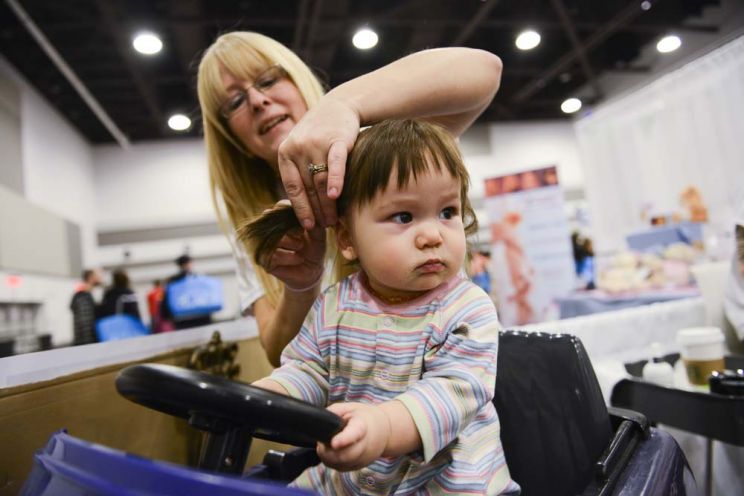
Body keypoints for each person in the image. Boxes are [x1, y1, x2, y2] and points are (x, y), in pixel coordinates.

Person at [242, 120, 518, 495]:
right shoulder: (336, 304)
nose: (433, 235)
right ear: (347, 238)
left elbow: (452, 392)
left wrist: (383, 427)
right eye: (404, 216)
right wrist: (269, 396)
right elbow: (310, 371)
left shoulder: (467, 308)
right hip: (352, 482)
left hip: (447, 485)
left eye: (447, 212)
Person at [197, 31, 503, 366]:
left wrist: (342, 104)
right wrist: (301, 288)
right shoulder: (255, 222)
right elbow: (279, 354)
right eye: (235, 102)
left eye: (268, 80)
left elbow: (484, 69)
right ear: (233, 139)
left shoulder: (381, 150)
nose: (257, 101)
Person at [160, 254, 213, 330]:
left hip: (189, 317)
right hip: (191, 316)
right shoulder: (196, 278)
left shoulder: (173, 281)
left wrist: (166, 315)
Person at [69, 269, 102, 345]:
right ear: (90, 278)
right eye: (96, 276)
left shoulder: (86, 295)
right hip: (86, 342)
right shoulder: (83, 297)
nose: (99, 278)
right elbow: (84, 322)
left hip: (86, 342)